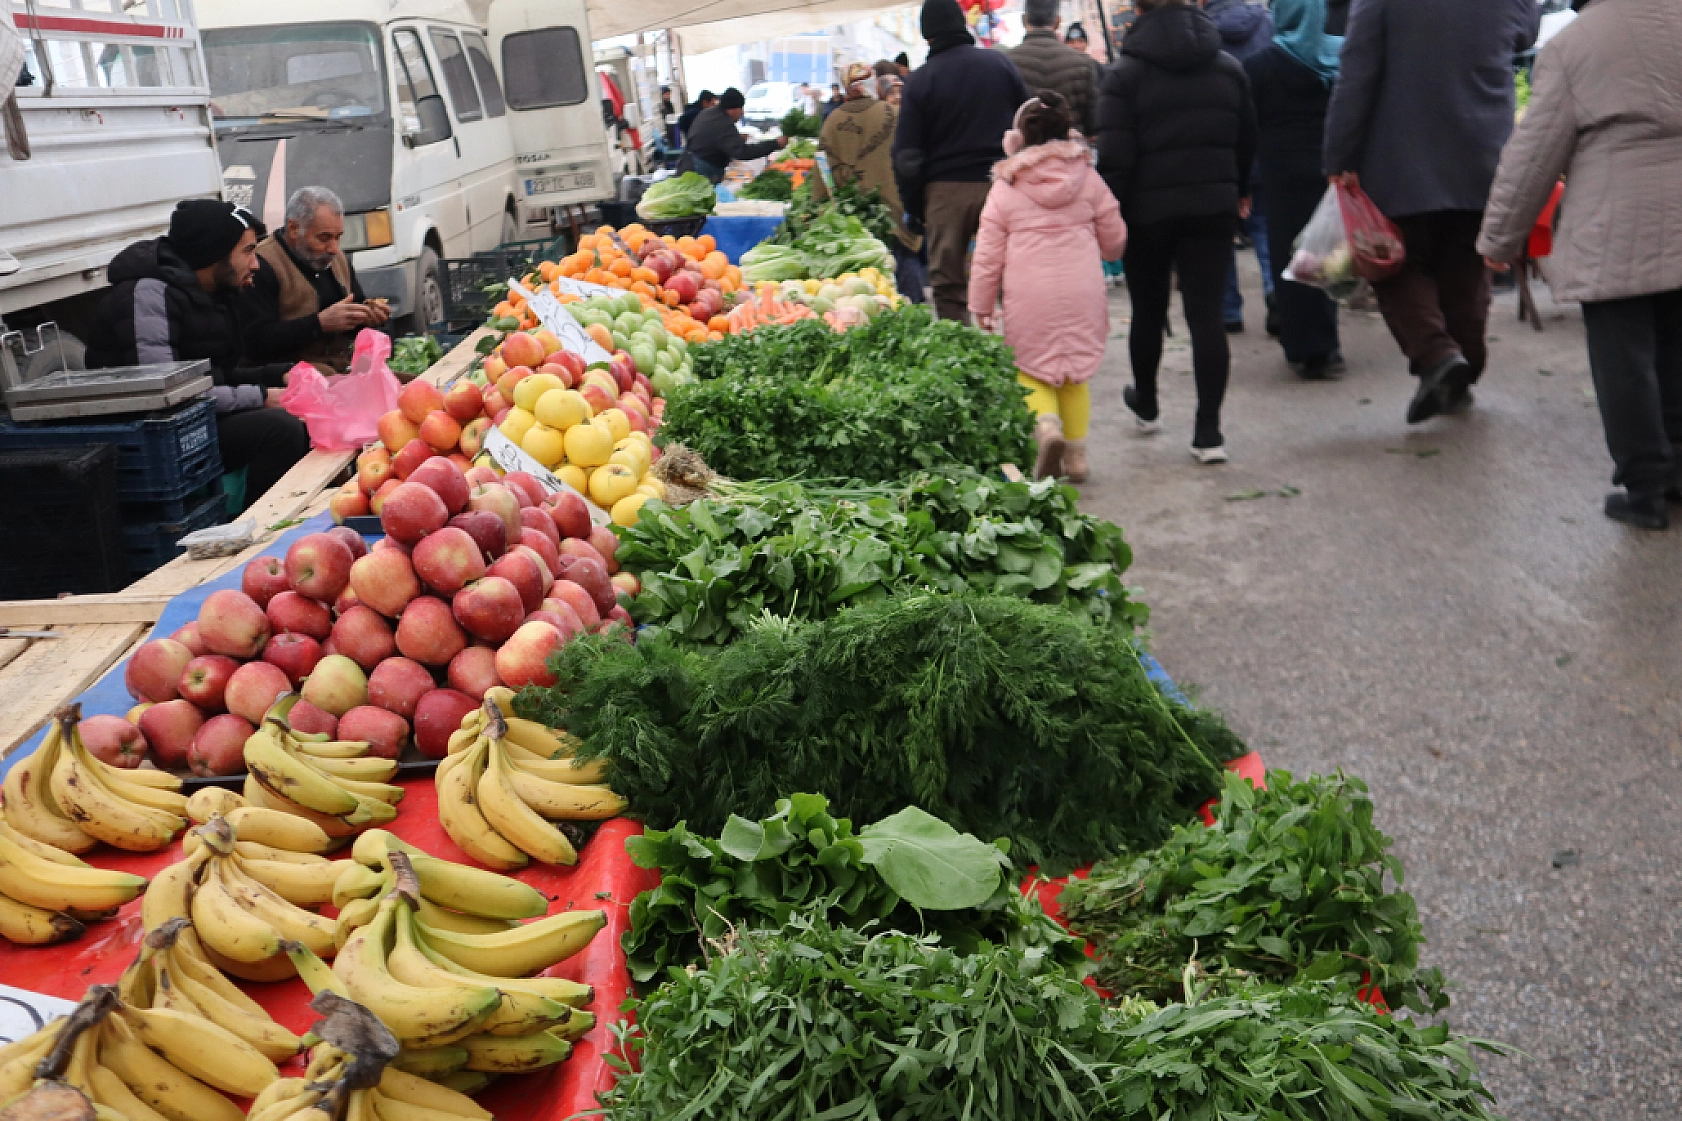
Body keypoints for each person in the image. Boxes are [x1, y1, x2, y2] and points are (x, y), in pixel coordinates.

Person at [1477, 0, 1682, 530]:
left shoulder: (1575, 45)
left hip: (1617, 227)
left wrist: (1500, 237)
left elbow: (1534, 152)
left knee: (1625, 363)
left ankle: (1646, 488)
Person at [1322, 0, 1539, 424]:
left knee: (1397, 265)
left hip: (1400, 156)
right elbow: (1525, 35)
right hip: (1481, 153)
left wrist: (1338, 156)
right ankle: (1465, 367)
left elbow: (1356, 78)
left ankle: (1438, 355)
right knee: (1466, 264)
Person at [1098, 0, 1256, 465]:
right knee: (1206, 315)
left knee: (1148, 310)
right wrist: (1240, 189)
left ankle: (1145, 401)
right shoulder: (1227, 67)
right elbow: (1247, 136)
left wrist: (1113, 210)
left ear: (1138, 9)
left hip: (1147, 212)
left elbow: (1115, 156)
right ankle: (1209, 433)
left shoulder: (1124, 75)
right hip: (1213, 207)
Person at [84, 200, 311, 507]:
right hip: (150, 437)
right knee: (281, 429)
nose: (256, 264)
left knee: (301, 414)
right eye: (247, 251)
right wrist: (259, 395)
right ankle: (257, 528)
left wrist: (279, 374)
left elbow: (211, 375)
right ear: (213, 252)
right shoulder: (150, 295)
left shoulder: (211, 292)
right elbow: (166, 394)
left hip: (191, 417)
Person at [970, 93, 1127, 483]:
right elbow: (1115, 238)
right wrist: (1106, 249)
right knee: (1075, 373)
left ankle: (1046, 426)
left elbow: (987, 257)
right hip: (1082, 288)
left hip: (1029, 294)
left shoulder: (1006, 188)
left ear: (1017, 139)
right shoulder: (1088, 178)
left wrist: (982, 305)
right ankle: (1076, 458)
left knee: (1031, 369)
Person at [893, 0, 1029, 323]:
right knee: (1010, 276)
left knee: (948, 281)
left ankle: (964, 356)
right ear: (963, 25)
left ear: (927, 35)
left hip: (945, 192)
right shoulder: (999, 65)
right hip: (1002, 185)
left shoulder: (921, 81)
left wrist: (914, 206)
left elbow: (907, 157)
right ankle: (1016, 351)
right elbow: (1029, 121)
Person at [1245, 0, 1342, 377]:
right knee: (1326, 255)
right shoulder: (1337, 60)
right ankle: (1328, 343)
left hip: (1281, 176)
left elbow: (1248, 125)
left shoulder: (1260, 66)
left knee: (1290, 259)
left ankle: (1303, 347)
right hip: (1327, 171)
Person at [240, 186, 388, 375]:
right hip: (291, 378)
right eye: (324, 238)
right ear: (294, 229)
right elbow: (256, 341)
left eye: (338, 237)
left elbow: (355, 312)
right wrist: (318, 324)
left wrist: (369, 316)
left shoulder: (336, 258)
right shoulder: (261, 265)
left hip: (341, 369)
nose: (333, 248)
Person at [815, 63, 926, 304]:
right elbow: (913, 157)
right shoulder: (894, 114)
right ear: (872, 84)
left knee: (866, 275)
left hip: (852, 213)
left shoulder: (833, 120)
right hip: (894, 204)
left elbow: (822, 168)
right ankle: (916, 318)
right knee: (904, 261)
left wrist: (818, 206)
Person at [1204, 0, 1275, 335]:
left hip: (1216, 149)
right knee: (1264, 225)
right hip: (1262, 142)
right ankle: (1275, 293)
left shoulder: (1200, 31)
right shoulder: (1266, 23)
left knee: (1219, 233)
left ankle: (1229, 310)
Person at [1005, 0, 1099, 136]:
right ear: (1058, 21)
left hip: (1024, 153)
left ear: (1023, 20)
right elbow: (1093, 122)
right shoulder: (1083, 63)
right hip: (1071, 152)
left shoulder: (1007, 62)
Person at [684, 87, 786, 182]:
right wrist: (775, 144)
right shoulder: (723, 122)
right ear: (731, 109)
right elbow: (742, 152)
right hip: (700, 169)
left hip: (694, 163)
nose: (742, 113)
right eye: (740, 108)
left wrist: (737, 139)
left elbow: (717, 140)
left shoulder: (711, 113)